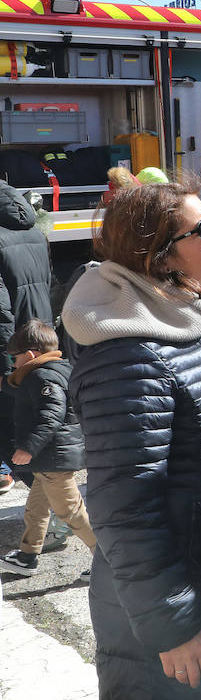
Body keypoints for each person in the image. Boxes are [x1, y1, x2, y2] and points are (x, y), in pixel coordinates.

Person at [61, 182, 201, 697]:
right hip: (184, 616)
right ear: (158, 256)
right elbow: (127, 506)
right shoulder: (128, 356)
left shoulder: (194, 313)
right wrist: (172, 626)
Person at [0, 319, 97, 578]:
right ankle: (27, 555)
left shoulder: (41, 376)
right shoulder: (53, 370)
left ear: (31, 355)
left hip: (53, 457)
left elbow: (50, 415)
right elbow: (22, 392)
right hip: (50, 458)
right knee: (36, 509)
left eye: (15, 358)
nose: (13, 364)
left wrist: (28, 448)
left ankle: (108, 561)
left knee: (71, 511)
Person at [0, 176, 53, 495]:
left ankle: (58, 510)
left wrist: (6, 362)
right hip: (39, 338)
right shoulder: (34, 232)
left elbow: (1, 311)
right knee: (33, 420)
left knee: (13, 428)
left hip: (13, 347)